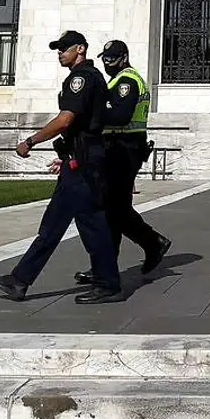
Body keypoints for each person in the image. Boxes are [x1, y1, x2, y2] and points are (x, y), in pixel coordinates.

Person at [0, 30, 122, 304]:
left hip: (83, 164)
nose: (60, 53)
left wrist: (31, 140)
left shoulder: (81, 78)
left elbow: (65, 120)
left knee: (74, 226)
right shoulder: (89, 77)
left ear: (80, 49)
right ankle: (22, 280)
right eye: (58, 49)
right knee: (77, 225)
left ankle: (105, 283)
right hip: (81, 159)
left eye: (64, 48)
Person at [73, 39, 171, 285]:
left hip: (123, 149)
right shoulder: (118, 81)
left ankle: (149, 244)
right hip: (119, 149)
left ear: (124, 57)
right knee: (114, 209)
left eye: (112, 58)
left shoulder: (127, 81)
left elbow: (120, 115)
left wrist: (92, 111)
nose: (107, 63)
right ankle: (113, 263)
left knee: (111, 209)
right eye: (104, 58)